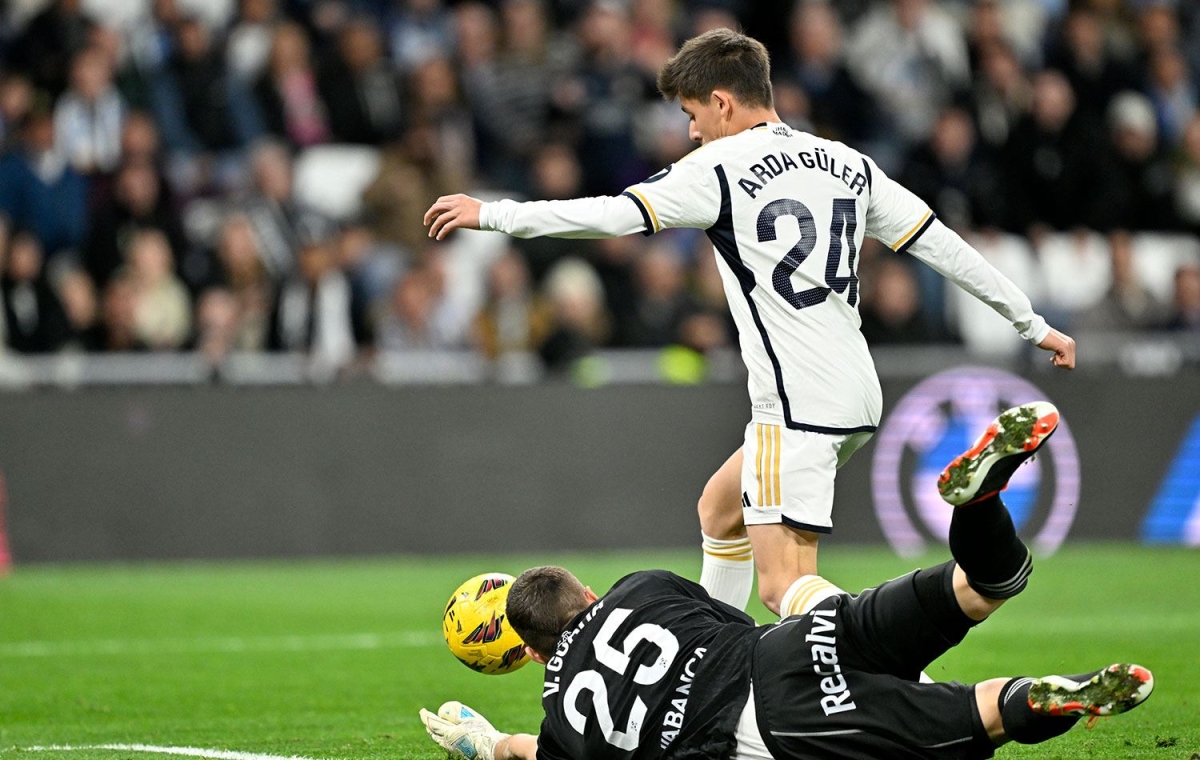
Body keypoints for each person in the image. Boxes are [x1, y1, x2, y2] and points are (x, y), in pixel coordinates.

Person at [422, 29, 1076, 618]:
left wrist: (497, 215)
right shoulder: (847, 162)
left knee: (785, 591)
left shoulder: (716, 169)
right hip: (855, 393)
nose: (692, 133)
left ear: (723, 102)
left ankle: (909, 684)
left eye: (692, 114)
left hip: (791, 405)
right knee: (719, 509)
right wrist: (1033, 323)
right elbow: (942, 244)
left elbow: (610, 215)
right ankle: (709, 661)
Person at [420, 403, 1154, 760]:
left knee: (973, 718)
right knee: (979, 589)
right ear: (585, 595)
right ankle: (983, 505)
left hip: (773, 717)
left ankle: (1044, 694)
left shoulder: (565, 724)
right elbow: (719, 607)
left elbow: (532, 754)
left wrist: (481, 742)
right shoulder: (641, 587)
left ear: (539, 653)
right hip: (795, 642)